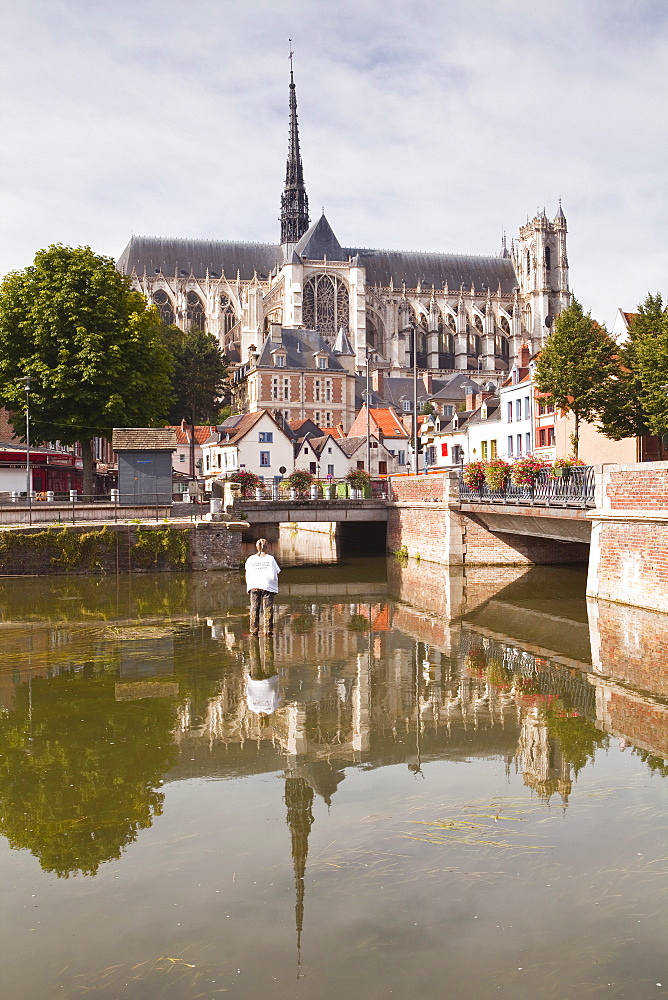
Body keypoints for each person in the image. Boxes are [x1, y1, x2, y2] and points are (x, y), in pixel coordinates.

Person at [245, 537, 280, 635]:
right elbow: (276, 571)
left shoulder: (250, 559)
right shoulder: (270, 559)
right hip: (267, 586)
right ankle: (268, 631)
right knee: (268, 608)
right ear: (267, 547)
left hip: (254, 585)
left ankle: (253, 630)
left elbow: (247, 571)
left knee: (254, 608)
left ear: (257, 547)